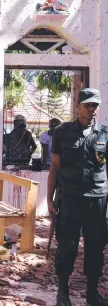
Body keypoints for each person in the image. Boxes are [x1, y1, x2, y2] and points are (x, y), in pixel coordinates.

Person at [47, 88, 108, 306]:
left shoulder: (105, 134)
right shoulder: (62, 133)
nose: (91, 109)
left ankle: (92, 293)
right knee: (67, 246)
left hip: (97, 200)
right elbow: (54, 167)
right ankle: (63, 293)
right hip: (70, 199)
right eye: (87, 105)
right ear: (78, 106)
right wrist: (49, 200)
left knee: (95, 247)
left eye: (95, 105)